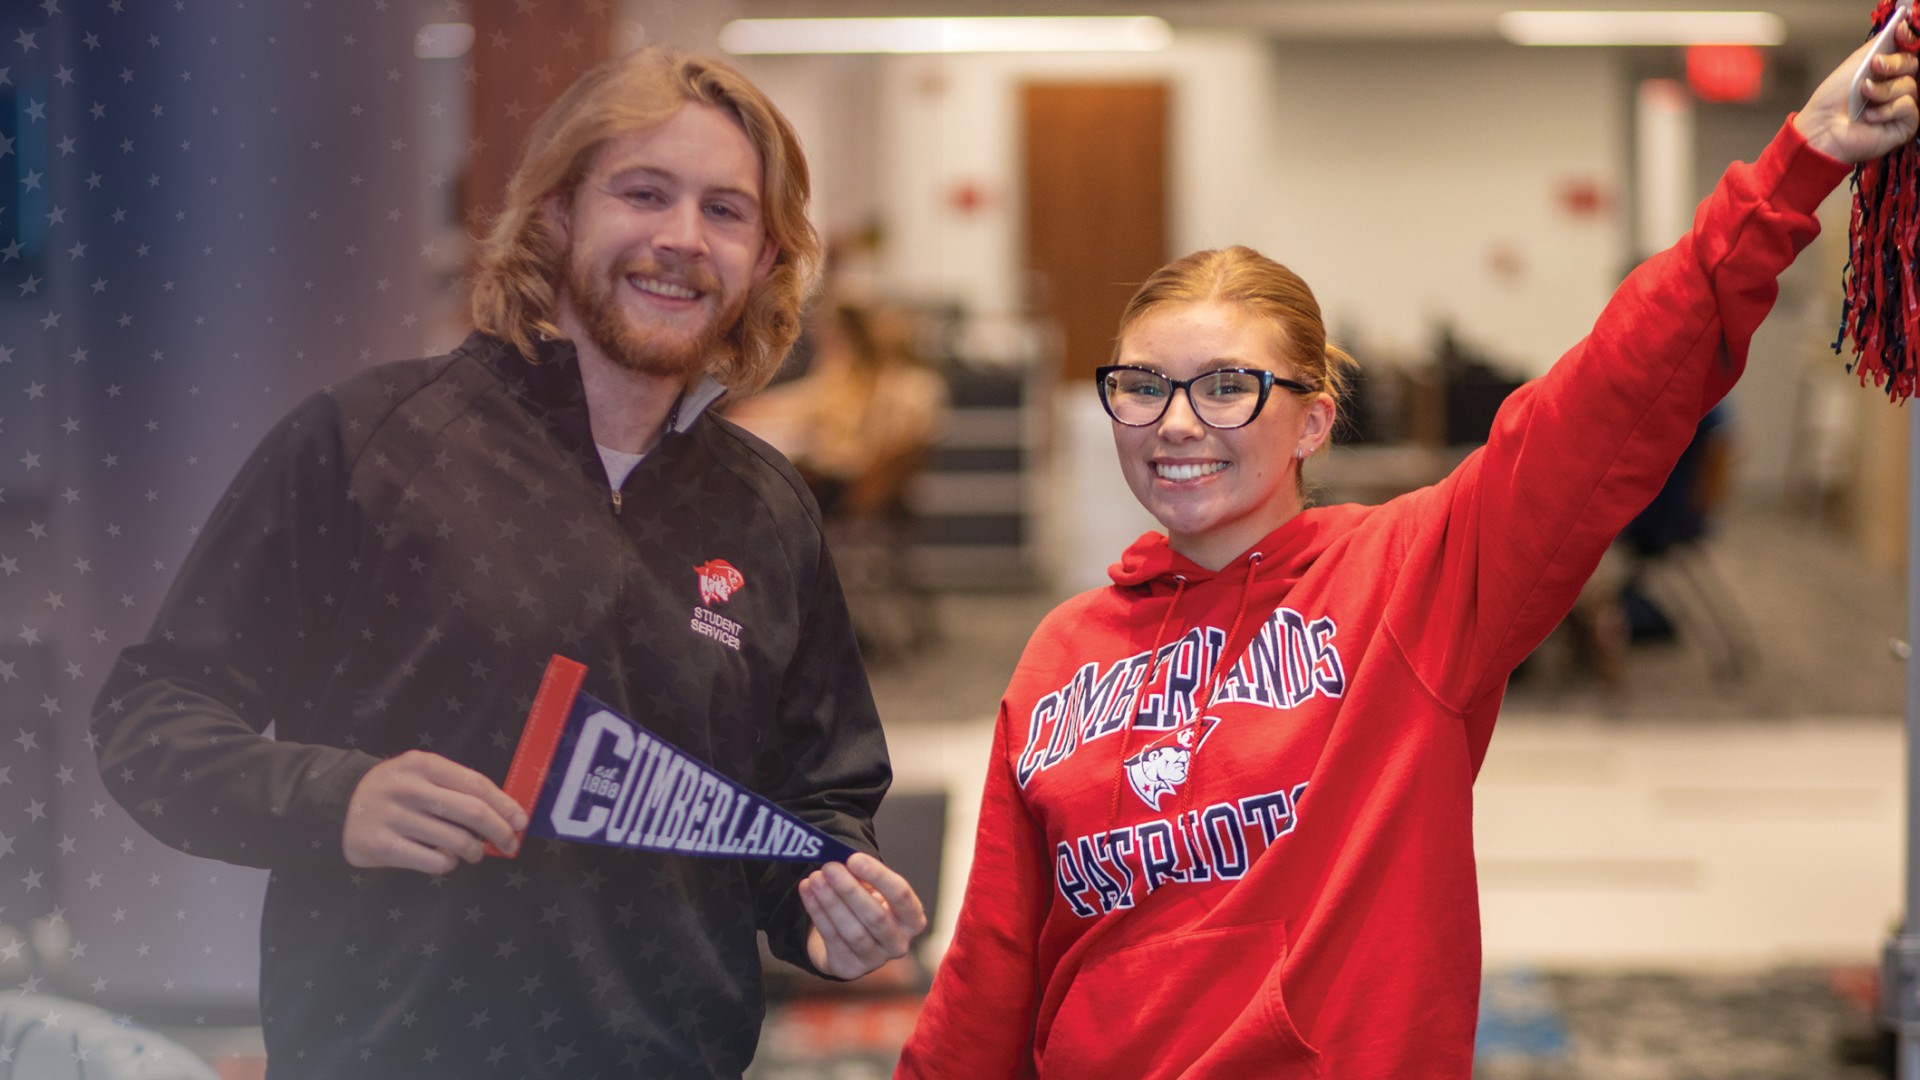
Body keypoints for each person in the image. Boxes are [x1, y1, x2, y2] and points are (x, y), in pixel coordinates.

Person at [897, 31, 1918, 1080]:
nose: (1176, 423)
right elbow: (993, 962)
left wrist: (1801, 160)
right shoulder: (1061, 653)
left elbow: (1608, 394)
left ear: (1312, 423)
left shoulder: (1410, 578)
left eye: (1227, 387)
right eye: (1143, 386)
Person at [92, 46, 925, 1079]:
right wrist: (333, 799)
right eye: (644, 192)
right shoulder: (368, 441)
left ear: (764, 261)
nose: (680, 239)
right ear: (557, 214)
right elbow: (151, 718)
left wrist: (829, 906)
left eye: (726, 210)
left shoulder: (769, 508)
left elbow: (812, 800)